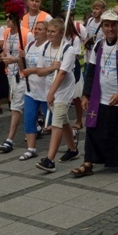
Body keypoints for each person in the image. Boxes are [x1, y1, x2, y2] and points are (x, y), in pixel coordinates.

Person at [71, 10, 118, 177]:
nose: (110, 28)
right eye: (106, 25)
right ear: (102, 27)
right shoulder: (98, 45)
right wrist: (86, 95)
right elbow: (91, 72)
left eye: (113, 25)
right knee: (93, 130)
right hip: (100, 99)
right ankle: (88, 162)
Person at [35, 18, 80, 172]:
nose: (49, 34)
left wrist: (51, 93)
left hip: (63, 90)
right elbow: (40, 71)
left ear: (61, 33)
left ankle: (50, 160)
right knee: (63, 120)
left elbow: (62, 74)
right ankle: (73, 149)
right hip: (50, 88)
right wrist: (50, 68)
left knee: (56, 123)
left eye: (53, 31)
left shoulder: (68, 50)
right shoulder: (45, 47)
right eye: (48, 31)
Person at [0, 2, 35, 153]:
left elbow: (31, 56)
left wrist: (16, 60)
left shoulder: (26, 34)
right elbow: (6, 51)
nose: (7, 21)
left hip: (22, 75)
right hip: (10, 74)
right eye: (6, 18)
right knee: (21, 104)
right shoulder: (7, 32)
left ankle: (9, 139)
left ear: (17, 19)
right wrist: (0, 58)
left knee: (15, 107)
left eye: (9, 18)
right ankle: (36, 127)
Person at [18, 20, 49, 160]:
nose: (36, 31)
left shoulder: (49, 47)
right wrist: (21, 58)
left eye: (40, 29)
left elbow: (46, 69)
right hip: (31, 90)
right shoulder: (30, 45)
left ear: (47, 32)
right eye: (36, 28)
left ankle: (70, 140)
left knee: (54, 122)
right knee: (29, 118)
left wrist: (32, 70)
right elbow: (23, 68)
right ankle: (31, 149)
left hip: (46, 90)